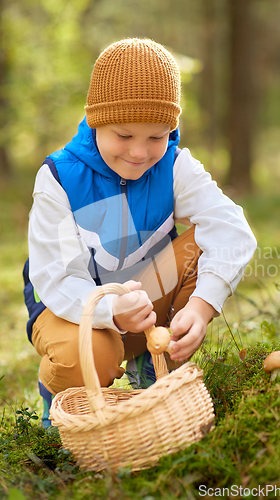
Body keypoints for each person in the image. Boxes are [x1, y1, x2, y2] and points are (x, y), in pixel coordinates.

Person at [23, 38, 257, 428]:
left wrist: (202, 306)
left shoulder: (174, 165)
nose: (139, 152)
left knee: (206, 241)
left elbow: (231, 229)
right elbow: (58, 276)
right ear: (96, 120)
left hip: (147, 302)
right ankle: (64, 396)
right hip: (73, 308)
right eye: (124, 135)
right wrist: (110, 309)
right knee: (90, 354)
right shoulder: (59, 178)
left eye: (156, 136)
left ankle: (152, 363)